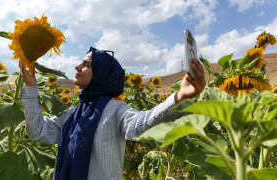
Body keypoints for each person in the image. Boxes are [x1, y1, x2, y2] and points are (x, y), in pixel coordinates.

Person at [19, 47, 206, 180]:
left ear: (102, 73)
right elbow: (38, 131)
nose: (77, 67)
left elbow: (141, 124)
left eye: (86, 64)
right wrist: (30, 87)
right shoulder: (73, 114)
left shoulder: (115, 110)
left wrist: (179, 97)